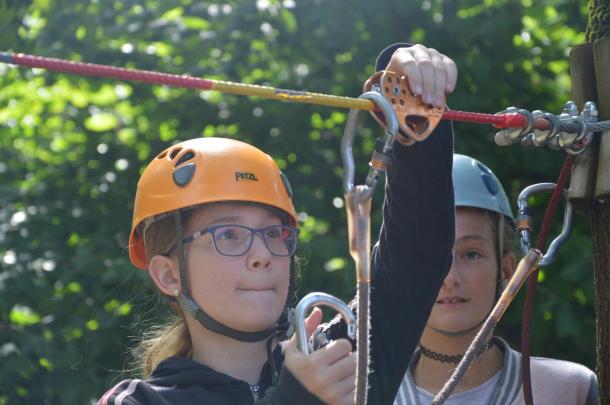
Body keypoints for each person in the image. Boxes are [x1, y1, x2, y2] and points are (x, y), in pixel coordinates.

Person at [97, 43, 457, 405]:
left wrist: (408, 86)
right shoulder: (139, 401)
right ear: (169, 275)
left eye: (274, 234)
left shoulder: (337, 363)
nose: (262, 255)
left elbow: (418, 252)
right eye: (229, 235)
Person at [393, 154, 599, 405]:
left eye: (471, 254)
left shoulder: (569, 390)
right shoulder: (360, 394)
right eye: (429, 256)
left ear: (507, 269)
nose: (449, 278)